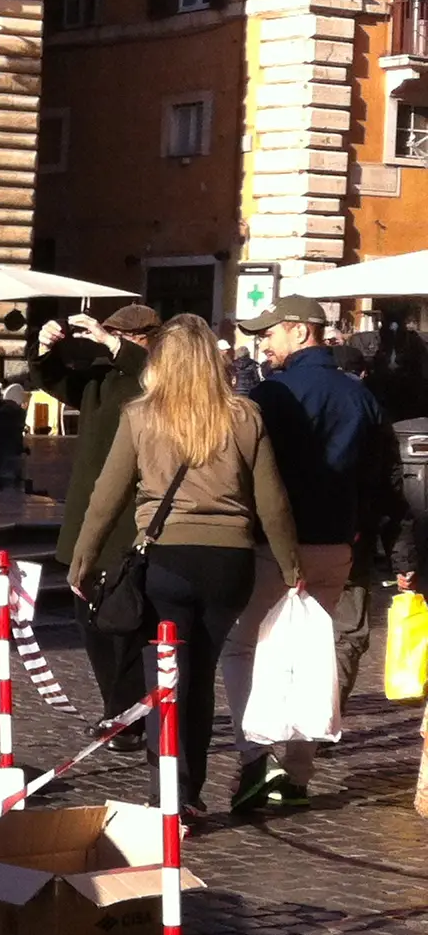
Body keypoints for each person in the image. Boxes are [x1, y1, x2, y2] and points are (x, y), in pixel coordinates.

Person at [69, 314, 300, 818]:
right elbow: (273, 502)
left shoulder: (140, 415)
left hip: (167, 560)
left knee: (166, 683)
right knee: (201, 679)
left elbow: (107, 497)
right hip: (230, 563)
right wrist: (289, 565)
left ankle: (169, 798)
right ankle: (189, 795)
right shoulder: (244, 416)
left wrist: (83, 560)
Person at [223, 296, 385, 811]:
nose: (262, 343)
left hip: (275, 542)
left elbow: (247, 469)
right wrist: (360, 529)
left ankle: (255, 759)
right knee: (312, 653)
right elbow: (381, 477)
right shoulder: (360, 395)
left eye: (269, 333)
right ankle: (297, 773)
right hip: (336, 542)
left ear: (299, 331)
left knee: (244, 646)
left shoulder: (273, 394)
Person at [36, 303, 160, 753]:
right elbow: (55, 381)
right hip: (88, 517)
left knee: (125, 623)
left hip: (131, 518)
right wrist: (47, 349)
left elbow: (152, 373)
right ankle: (120, 711)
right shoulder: (102, 379)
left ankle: (124, 715)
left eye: (122, 337)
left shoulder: (155, 378)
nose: (108, 344)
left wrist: (117, 346)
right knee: (88, 618)